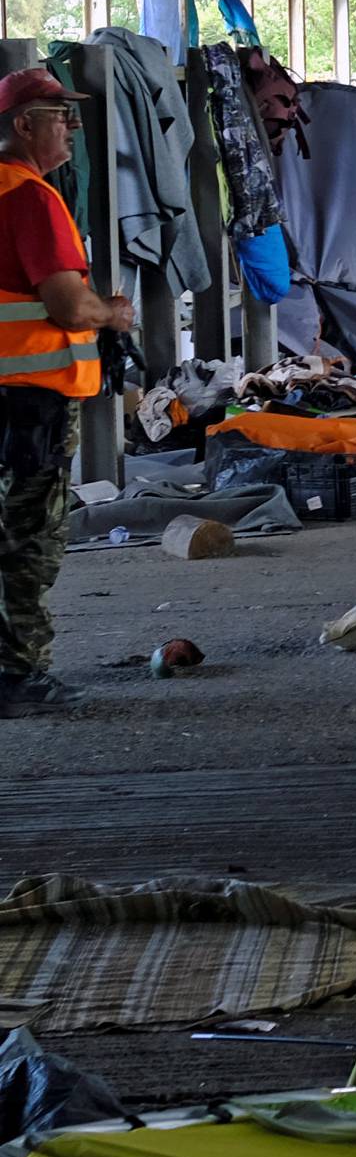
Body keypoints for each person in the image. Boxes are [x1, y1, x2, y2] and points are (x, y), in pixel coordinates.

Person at [0, 68, 130, 714]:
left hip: (10, 396)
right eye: (60, 115)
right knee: (29, 539)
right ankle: (18, 675)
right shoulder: (29, 197)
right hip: (30, 399)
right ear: (23, 126)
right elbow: (68, 305)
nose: (72, 128)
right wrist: (113, 314)